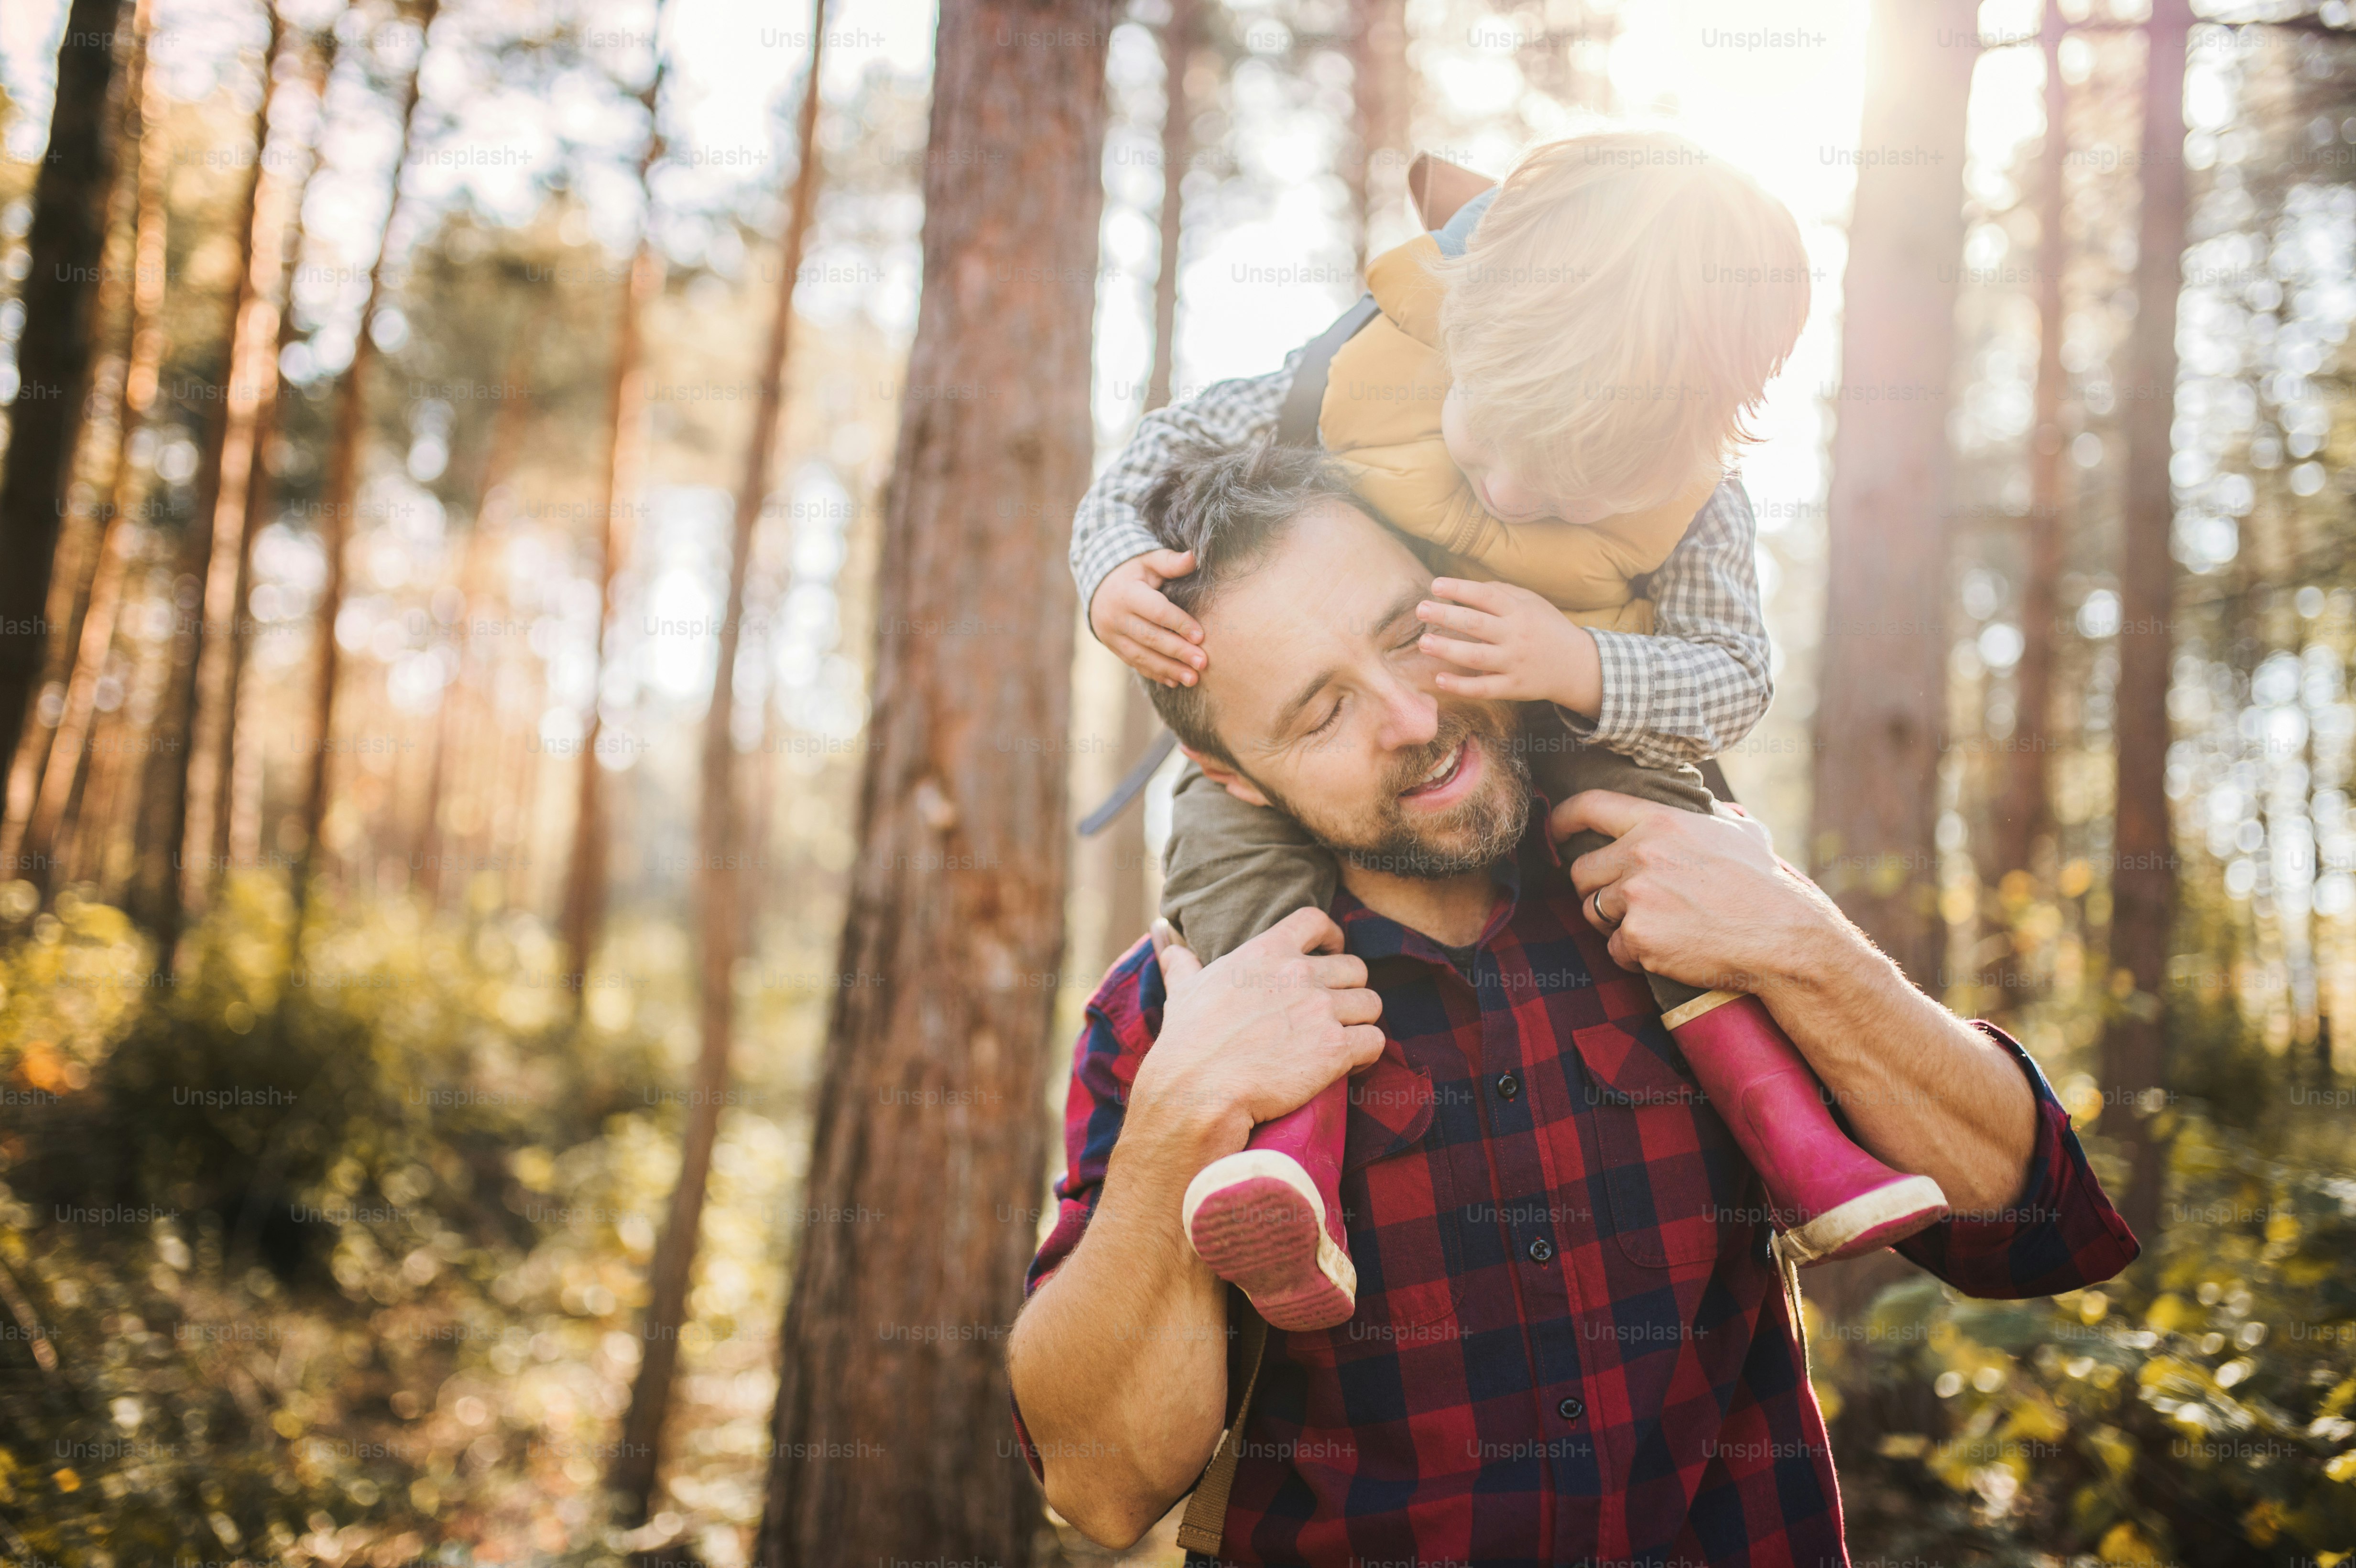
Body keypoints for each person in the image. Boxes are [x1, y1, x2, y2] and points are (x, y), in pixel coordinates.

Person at [1006, 451, 2138, 1566]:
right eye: (1320, 713)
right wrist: (1174, 1125)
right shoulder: (1174, 1011)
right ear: (1231, 777)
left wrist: (1802, 945)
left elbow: (2034, 1228)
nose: (1410, 714)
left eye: (1412, 631)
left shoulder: (1694, 885)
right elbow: (1102, 1489)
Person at [1071, 132, 1933, 1337]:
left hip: (1573, 714)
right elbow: (1159, 450)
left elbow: (1732, 675)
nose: (1516, 498)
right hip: (1370, 686)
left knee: (1667, 855)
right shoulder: (1370, 357)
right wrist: (1108, 557)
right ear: (1461, 322)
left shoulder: (1698, 504)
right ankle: (1289, 1166)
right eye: (1487, 448)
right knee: (1232, 852)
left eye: (1575, 484)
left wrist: (1579, 661)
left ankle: (1801, 1142)